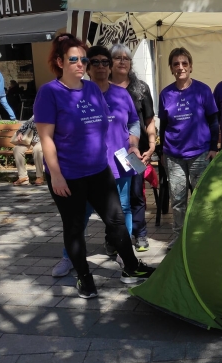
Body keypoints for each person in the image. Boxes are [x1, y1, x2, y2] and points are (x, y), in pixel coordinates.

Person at [34, 33, 153, 298]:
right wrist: (56, 175)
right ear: (59, 61)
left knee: (117, 220)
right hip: (69, 175)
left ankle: (131, 267)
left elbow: (104, 126)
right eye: (73, 59)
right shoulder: (50, 93)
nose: (80, 64)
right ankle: (85, 278)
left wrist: (129, 144)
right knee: (75, 228)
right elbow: (46, 139)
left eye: (83, 59)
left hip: (99, 171)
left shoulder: (91, 89)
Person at [51, 45, 142, 277]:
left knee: (122, 211)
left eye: (105, 62)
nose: (101, 66)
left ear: (110, 67)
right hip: (86, 169)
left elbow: (133, 122)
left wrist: (133, 143)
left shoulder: (122, 94)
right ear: (87, 66)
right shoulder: (77, 92)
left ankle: (124, 253)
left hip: (119, 163)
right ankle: (67, 257)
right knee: (78, 217)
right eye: (96, 62)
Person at [159, 47, 219, 250]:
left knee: (201, 198)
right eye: (176, 64)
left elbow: (213, 121)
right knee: (177, 200)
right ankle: (180, 238)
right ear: (171, 68)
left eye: (184, 63)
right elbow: (164, 125)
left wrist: (213, 148)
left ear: (191, 66)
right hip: (174, 155)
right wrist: (162, 152)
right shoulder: (166, 94)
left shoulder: (203, 90)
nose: (180, 67)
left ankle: (201, 237)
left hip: (200, 153)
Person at [109, 43, 157, 252]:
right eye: (117, 58)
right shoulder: (101, 86)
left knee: (136, 193)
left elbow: (148, 120)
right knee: (112, 198)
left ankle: (140, 234)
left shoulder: (141, 88)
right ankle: (112, 238)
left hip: (137, 151)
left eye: (126, 58)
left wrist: (153, 145)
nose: (122, 61)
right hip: (110, 154)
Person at [12, 117, 45, 186]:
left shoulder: (51, 115)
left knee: (37, 149)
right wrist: (20, 133)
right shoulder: (35, 116)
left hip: (43, 141)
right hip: (30, 141)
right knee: (17, 149)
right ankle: (23, 177)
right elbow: (23, 126)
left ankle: (40, 176)